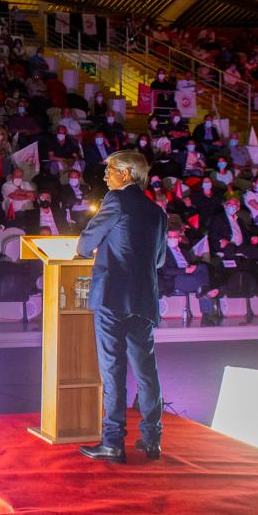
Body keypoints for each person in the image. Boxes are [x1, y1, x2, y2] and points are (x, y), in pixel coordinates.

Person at [76, 150, 167, 463]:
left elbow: (85, 245)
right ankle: (152, 440)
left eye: (110, 171)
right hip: (144, 299)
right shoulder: (157, 212)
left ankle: (113, 442)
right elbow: (159, 260)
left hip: (113, 298)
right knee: (146, 370)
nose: (105, 177)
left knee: (113, 369)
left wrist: (100, 248)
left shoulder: (115, 201)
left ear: (126, 174)